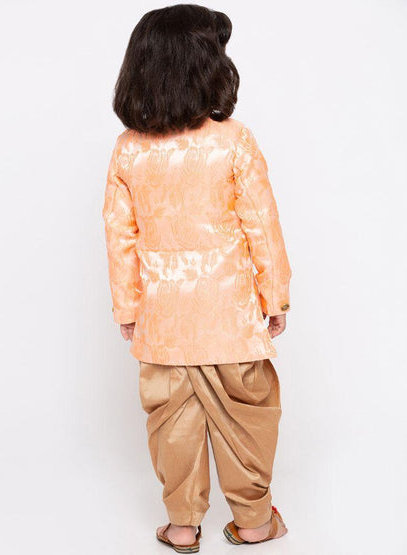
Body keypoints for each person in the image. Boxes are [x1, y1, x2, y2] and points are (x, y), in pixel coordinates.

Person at [102, 4, 291, 552]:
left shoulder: (128, 149)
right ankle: (253, 522)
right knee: (247, 415)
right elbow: (263, 225)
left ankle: (182, 527)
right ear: (207, 66)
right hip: (230, 314)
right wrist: (274, 296)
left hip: (163, 319)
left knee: (172, 421)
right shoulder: (234, 140)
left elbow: (119, 236)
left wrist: (128, 308)